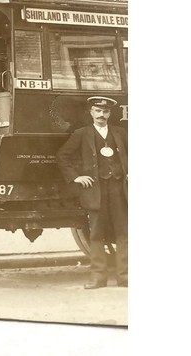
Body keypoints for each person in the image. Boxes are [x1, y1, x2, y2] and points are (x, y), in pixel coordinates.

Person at [56, 96, 128, 289]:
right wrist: (76, 177)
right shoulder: (82, 133)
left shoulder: (120, 133)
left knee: (124, 233)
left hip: (119, 190)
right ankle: (98, 278)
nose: (101, 115)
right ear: (91, 113)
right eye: (97, 111)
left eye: (105, 112)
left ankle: (125, 277)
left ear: (110, 113)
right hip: (95, 191)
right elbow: (63, 156)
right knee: (96, 235)